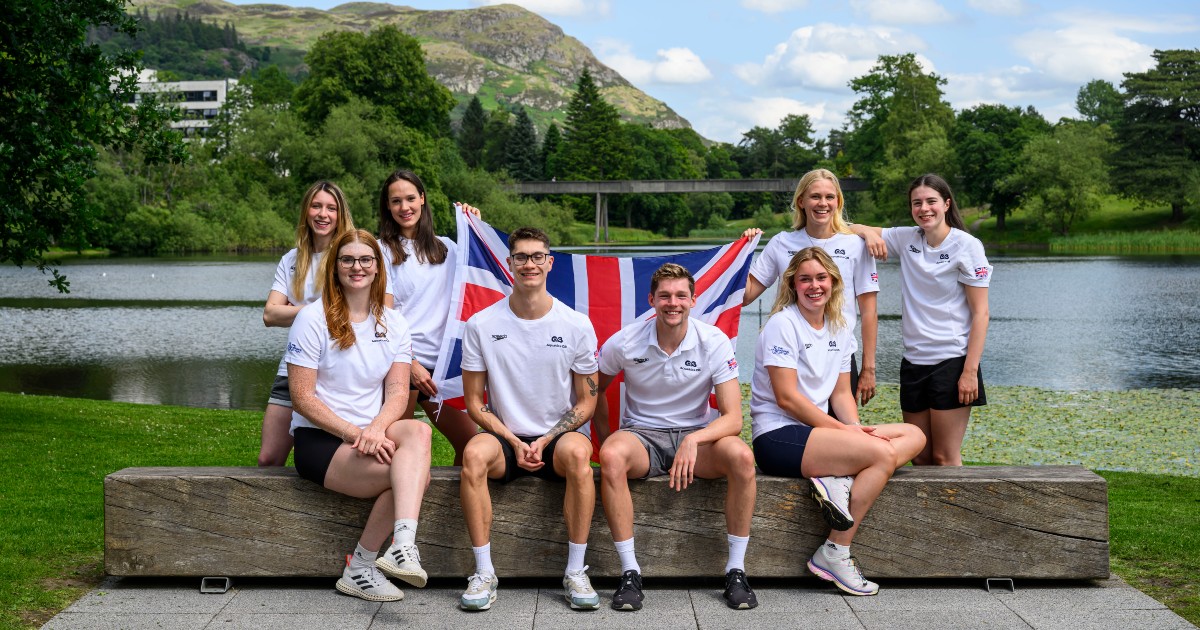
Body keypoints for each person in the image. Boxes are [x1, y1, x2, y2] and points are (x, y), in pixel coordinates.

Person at [751, 247, 925, 596]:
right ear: (793, 285)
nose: (814, 286)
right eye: (805, 279)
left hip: (819, 434)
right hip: (778, 437)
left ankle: (840, 480)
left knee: (914, 435)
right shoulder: (783, 325)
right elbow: (787, 399)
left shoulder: (840, 327)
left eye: (821, 278)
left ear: (833, 281)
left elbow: (842, 394)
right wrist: (848, 435)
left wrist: (854, 429)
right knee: (882, 454)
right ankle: (836, 551)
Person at [595, 263, 758, 611]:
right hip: (642, 436)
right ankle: (630, 572)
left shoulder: (713, 341)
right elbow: (593, 389)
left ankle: (736, 571)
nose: (673, 303)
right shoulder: (625, 341)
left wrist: (694, 440)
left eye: (681, 296)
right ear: (651, 300)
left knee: (743, 458)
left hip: (697, 438)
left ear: (693, 300)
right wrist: (608, 438)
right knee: (611, 456)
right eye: (665, 296)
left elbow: (733, 418)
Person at [457, 227, 601, 611]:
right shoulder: (481, 324)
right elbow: (474, 402)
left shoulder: (576, 324)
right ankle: (484, 573)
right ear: (509, 263)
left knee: (580, 457)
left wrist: (545, 439)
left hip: (557, 437)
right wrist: (514, 440)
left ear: (550, 263)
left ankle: (575, 571)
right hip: (504, 435)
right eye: (521, 256)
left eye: (537, 256)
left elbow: (587, 402)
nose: (529, 264)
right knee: (473, 456)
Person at [285, 229, 433, 602]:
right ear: (335, 266)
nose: (357, 267)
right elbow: (302, 398)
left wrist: (376, 429)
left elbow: (398, 392)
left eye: (366, 259)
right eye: (347, 259)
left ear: (377, 267)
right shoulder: (312, 318)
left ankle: (402, 547)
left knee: (418, 433)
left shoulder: (394, 323)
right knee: (414, 476)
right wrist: (356, 434)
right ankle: (362, 565)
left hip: (370, 434)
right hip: (321, 440)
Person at [849, 173, 992, 466]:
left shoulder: (967, 245)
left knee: (944, 456)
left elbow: (981, 314)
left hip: (951, 361)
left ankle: (957, 500)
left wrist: (969, 371)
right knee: (920, 456)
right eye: (917, 203)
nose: (924, 208)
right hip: (913, 363)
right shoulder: (907, 238)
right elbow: (846, 228)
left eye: (931, 201)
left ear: (946, 204)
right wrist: (868, 234)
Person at [742, 168, 880, 408]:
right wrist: (743, 253)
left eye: (829, 197)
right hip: (792, 357)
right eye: (815, 196)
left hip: (839, 360)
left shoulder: (856, 245)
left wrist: (869, 368)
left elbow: (869, 312)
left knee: (844, 429)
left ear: (838, 202)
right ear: (801, 201)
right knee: (799, 426)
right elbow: (746, 296)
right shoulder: (781, 242)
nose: (822, 203)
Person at [377, 169, 480, 464]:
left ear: (422, 199)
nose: (404, 207)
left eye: (410, 198)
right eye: (396, 201)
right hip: (402, 363)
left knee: (470, 446)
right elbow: (382, 315)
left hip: (444, 366)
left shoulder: (449, 248)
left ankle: (453, 496)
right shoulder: (381, 251)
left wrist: (476, 226)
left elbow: (482, 276)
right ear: (388, 207)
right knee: (396, 450)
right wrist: (410, 363)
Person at [260, 181, 357, 467]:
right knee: (268, 458)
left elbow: (353, 309)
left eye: (331, 208)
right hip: (294, 364)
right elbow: (270, 315)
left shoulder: (351, 255)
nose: (323, 214)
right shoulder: (292, 259)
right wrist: (319, 309)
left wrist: (294, 310)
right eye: (316, 206)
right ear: (306, 211)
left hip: (339, 367)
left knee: (338, 454)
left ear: (340, 214)